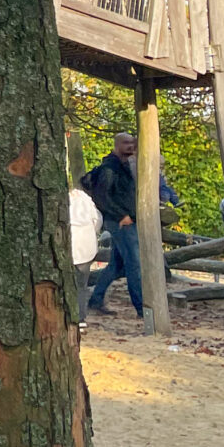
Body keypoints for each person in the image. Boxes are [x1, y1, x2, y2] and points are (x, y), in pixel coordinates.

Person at [84, 133, 143, 319]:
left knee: (116, 265)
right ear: (117, 145)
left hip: (126, 220)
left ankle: (96, 299)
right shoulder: (110, 168)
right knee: (134, 263)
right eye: (126, 143)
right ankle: (143, 308)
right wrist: (122, 215)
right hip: (121, 222)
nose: (130, 146)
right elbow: (102, 196)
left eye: (132, 143)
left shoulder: (125, 166)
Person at [69, 184, 103, 332]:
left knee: (69, 283)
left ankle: (71, 315)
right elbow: (97, 220)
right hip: (86, 244)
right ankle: (80, 317)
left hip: (70, 243)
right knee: (81, 284)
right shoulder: (85, 199)